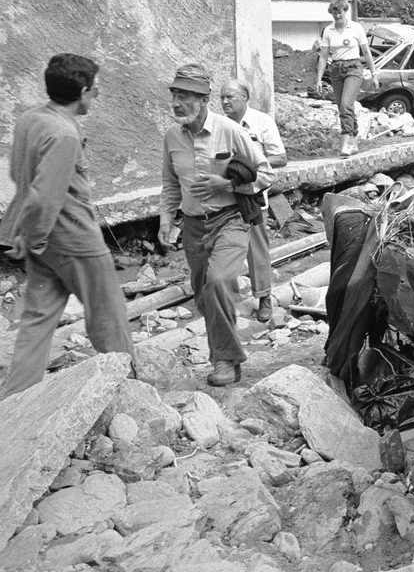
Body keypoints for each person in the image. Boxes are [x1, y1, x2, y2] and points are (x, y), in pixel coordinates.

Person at [0, 54, 135, 397]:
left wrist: (22, 234)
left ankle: (18, 399)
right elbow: (45, 198)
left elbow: (20, 177)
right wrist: (38, 237)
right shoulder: (65, 134)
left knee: (37, 319)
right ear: (83, 91)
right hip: (74, 240)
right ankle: (130, 389)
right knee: (108, 315)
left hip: (40, 240)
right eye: (95, 89)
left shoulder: (30, 120)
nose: (97, 95)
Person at [159, 64, 273, 386]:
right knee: (204, 296)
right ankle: (226, 348)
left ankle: (225, 360)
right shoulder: (171, 136)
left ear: (204, 98)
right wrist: (166, 219)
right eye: (174, 96)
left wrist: (227, 186)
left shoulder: (229, 130)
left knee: (219, 282)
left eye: (185, 96)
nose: (177, 103)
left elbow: (266, 173)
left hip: (231, 220)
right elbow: (170, 184)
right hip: (194, 226)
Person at [219, 79, 287, 323]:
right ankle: (222, 301)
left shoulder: (261, 122)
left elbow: (280, 157)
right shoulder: (220, 125)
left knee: (257, 249)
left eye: (230, 97)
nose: (225, 102)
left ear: (245, 97)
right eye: (222, 98)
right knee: (222, 248)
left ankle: (264, 297)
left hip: (253, 194)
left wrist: (250, 163)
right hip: (224, 194)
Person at [314, 0, 381, 156]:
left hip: (353, 68)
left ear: (346, 12)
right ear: (332, 13)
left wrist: (374, 74)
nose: (338, 15)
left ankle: (345, 145)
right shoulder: (328, 31)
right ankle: (353, 141)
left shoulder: (356, 28)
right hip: (336, 69)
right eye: (335, 12)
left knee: (346, 105)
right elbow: (323, 56)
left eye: (341, 12)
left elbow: (366, 52)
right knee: (343, 107)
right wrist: (318, 79)